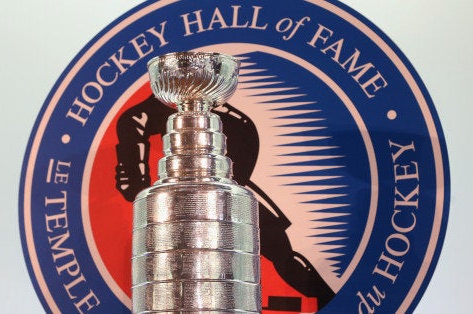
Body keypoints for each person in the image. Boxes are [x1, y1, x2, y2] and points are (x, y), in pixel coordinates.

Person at [114, 94, 335, 309]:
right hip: (226, 157)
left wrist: (135, 179)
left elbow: (134, 133)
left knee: (274, 246)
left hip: (229, 154)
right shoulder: (147, 116)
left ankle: (324, 295)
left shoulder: (147, 117)